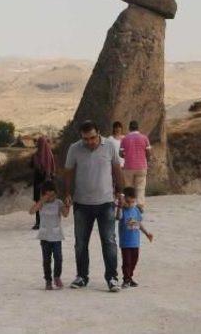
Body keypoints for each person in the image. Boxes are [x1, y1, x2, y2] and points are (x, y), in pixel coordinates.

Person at [64, 120, 124, 292]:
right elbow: (68, 172)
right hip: (82, 204)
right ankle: (82, 276)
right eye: (85, 139)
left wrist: (121, 192)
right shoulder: (74, 148)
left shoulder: (109, 146)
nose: (89, 142)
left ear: (98, 133)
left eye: (92, 138)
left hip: (105, 202)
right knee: (81, 243)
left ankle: (112, 278)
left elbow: (117, 170)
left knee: (109, 241)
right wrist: (67, 194)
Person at [29, 180, 71, 290]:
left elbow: (65, 214)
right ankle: (48, 279)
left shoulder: (58, 203)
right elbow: (32, 211)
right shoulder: (41, 204)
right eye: (48, 195)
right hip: (44, 236)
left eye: (53, 194)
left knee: (58, 257)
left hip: (56, 236)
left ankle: (57, 276)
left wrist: (68, 205)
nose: (51, 197)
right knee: (46, 260)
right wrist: (42, 200)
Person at [116, 187, 153, 288]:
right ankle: (126, 279)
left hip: (135, 241)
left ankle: (130, 277)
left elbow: (139, 223)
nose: (130, 204)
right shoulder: (122, 210)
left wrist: (146, 233)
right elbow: (118, 217)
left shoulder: (136, 210)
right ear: (124, 199)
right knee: (127, 261)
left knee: (134, 260)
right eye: (128, 202)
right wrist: (119, 206)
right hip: (125, 242)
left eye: (132, 202)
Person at [120, 120, 151, 211]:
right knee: (140, 187)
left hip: (128, 166)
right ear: (138, 128)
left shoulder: (125, 139)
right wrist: (146, 159)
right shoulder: (144, 138)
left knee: (128, 187)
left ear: (129, 128)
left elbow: (120, 153)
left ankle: (128, 204)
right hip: (141, 166)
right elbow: (148, 152)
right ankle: (140, 205)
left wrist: (127, 155)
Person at [29, 136, 56, 230]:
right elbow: (31, 166)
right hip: (39, 182)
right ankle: (39, 222)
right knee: (38, 203)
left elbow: (51, 170)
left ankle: (45, 223)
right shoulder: (36, 155)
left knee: (46, 203)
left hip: (46, 183)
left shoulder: (48, 155)